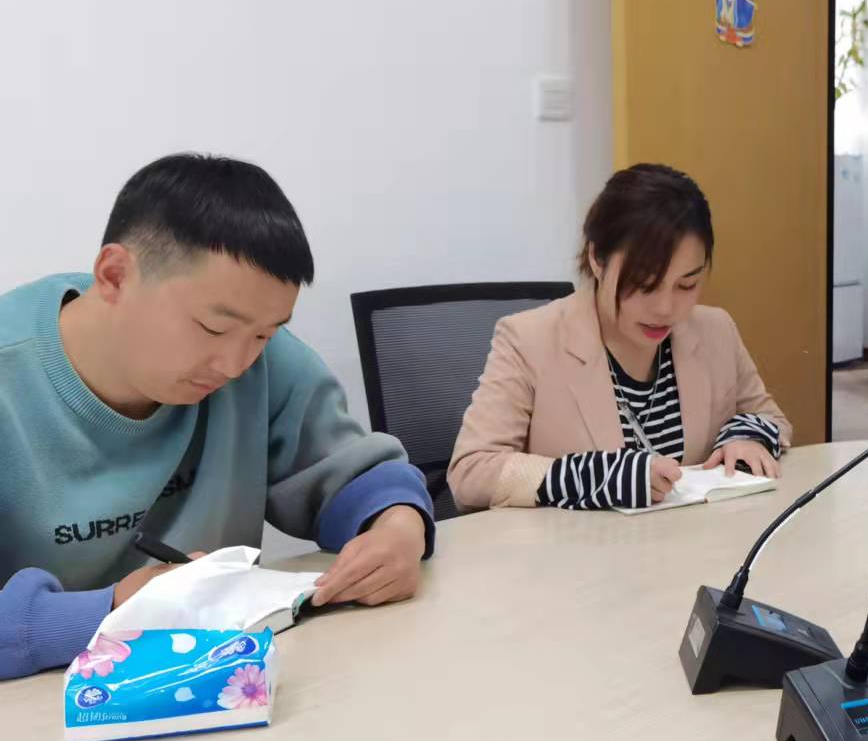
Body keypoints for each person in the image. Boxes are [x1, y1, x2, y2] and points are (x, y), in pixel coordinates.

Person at [0, 154, 435, 681]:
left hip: (220, 688)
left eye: (265, 334)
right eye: (212, 329)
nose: (234, 366)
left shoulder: (260, 359)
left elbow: (354, 473)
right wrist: (110, 610)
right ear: (114, 276)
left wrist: (397, 527)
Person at [449, 163, 790, 512]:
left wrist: (747, 438)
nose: (666, 308)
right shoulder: (528, 339)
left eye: (686, 284)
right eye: (644, 285)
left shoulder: (716, 330)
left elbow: (771, 419)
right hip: (578, 545)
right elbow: (471, 472)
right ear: (597, 258)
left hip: (698, 541)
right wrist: (599, 476)